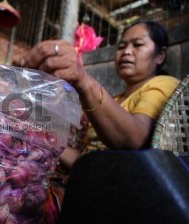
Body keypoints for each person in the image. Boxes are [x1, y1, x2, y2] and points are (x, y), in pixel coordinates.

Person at [22, 20, 180, 168]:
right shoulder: (115, 100)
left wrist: (84, 81)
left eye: (137, 45)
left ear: (160, 55)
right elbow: (83, 158)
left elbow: (134, 142)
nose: (126, 52)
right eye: (121, 46)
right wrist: (45, 142)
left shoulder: (164, 83)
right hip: (87, 178)